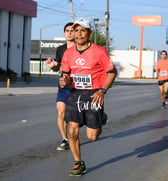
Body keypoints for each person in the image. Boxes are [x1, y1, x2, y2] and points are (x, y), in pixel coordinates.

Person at [59, 18, 117, 176]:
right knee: (72, 130)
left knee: (92, 137)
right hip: (76, 93)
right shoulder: (68, 53)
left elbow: (112, 73)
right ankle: (78, 163)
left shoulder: (99, 51)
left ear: (89, 33)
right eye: (76, 31)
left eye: (82, 31)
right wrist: (65, 80)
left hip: (94, 94)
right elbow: (66, 74)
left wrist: (102, 91)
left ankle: (100, 117)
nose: (78, 34)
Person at [45, 22, 75, 151]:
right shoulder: (61, 49)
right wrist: (52, 66)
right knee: (60, 111)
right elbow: (58, 67)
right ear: (64, 33)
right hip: (63, 85)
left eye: (72, 30)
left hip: (77, 86)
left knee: (76, 116)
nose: (69, 33)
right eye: (67, 31)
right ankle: (65, 139)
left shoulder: (80, 49)